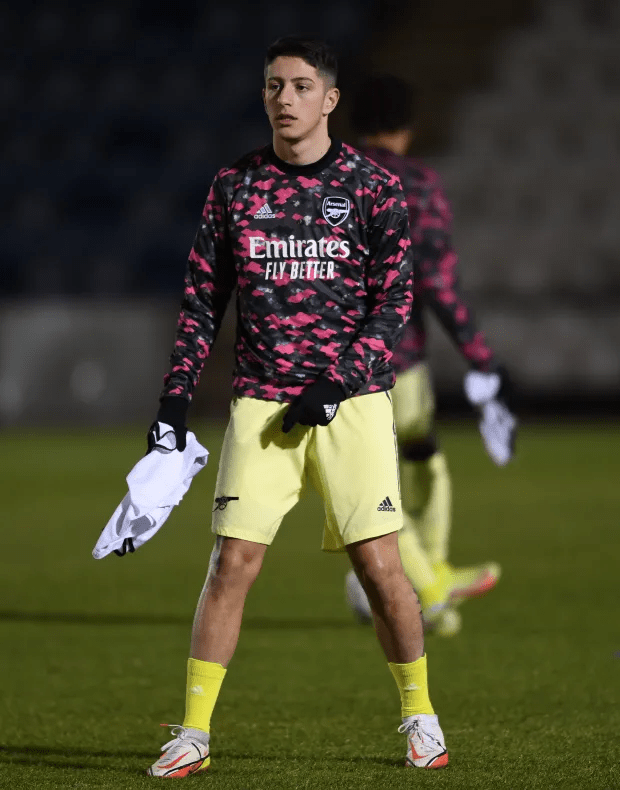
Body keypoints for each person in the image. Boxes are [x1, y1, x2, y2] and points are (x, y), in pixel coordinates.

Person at [145, 38, 448, 777]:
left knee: (381, 568)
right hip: (261, 403)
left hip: (353, 407)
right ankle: (193, 732)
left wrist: (338, 382)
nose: (286, 98)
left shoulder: (373, 188)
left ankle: (420, 716)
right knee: (231, 563)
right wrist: (173, 401)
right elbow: (200, 304)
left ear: (330, 100)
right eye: (275, 86)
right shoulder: (234, 187)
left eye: (302, 86)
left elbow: (394, 307)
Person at [344, 74, 517, 636]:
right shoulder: (415, 183)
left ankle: (432, 574)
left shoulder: (329, 179)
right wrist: (481, 358)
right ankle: (431, 582)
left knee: (380, 482)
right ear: (407, 127)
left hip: (336, 359)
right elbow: (438, 284)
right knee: (418, 460)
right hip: (400, 357)